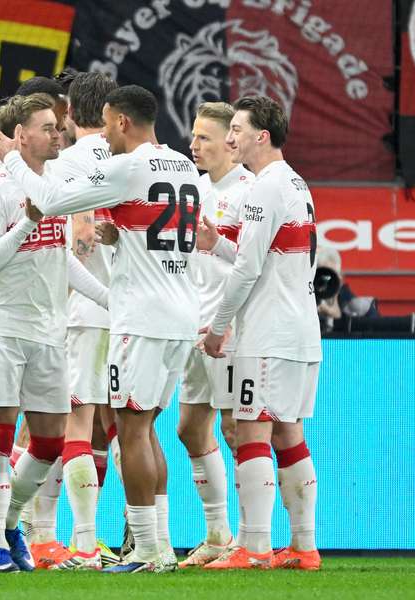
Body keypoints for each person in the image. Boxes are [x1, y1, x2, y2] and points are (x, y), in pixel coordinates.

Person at [0, 84, 201, 574]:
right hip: (181, 314)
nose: (104, 135)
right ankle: (160, 546)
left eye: (106, 124)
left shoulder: (128, 167)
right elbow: (164, 229)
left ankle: (145, 550)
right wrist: (120, 237)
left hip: (141, 317)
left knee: (131, 430)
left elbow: (50, 199)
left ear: (122, 121)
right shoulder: (181, 165)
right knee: (145, 429)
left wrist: (11, 157)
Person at [0, 92, 109, 573]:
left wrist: (109, 300)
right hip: (4, 326)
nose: (58, 134)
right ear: (20, 135)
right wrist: (27, 222)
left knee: (50, 441)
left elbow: (61, 257)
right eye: (48, 127)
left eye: (58, 126)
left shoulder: (55, 185)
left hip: (51, 329)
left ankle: (9, 521)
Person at [201, 95, 322, 571]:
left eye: (237, 129)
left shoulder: (264, 188)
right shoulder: (294, 182)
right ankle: (304, 546)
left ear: (261, 136)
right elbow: (264, 257)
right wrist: (217, 244)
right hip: (299, 330)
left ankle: (252, 546)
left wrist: (218, 327)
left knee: (251, 429)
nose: (230, 137)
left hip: (269, 334)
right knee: (288, 432)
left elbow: (248, 270)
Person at [41, 72, 120, 571]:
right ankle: (138, 537)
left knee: (75, 422)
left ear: (69, 112)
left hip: (85, 310)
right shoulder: (131, 158)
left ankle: (83, 544)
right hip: (128, 310)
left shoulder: (66, 162)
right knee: (118, 427)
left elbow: (80, 237)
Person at [176, 102, 252, 567]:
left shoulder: (249, 192)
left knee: (236, 429)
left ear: (230, 141)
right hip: (193, 325)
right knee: (189, 429)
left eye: (203, 137)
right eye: (194, 136)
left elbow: (255, 264)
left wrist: (225, 322)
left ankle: (249, 537)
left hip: (230, 329)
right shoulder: (193, 190)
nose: (194, 145)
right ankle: (218, 534)